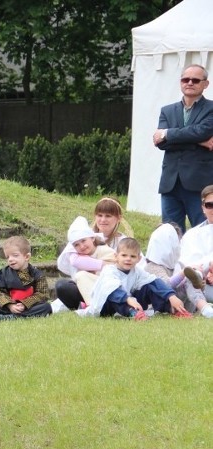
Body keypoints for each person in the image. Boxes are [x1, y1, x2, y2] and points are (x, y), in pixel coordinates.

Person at [153, 64, 213, 231]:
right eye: (185, 79)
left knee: (204, 231)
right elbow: (161, 143)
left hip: (200, 184)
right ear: (180, 82)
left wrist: (168, 133)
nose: (190, 83)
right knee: (170, 233)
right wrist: (199, 141)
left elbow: (202, 131)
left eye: (195, 80)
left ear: (205, 84)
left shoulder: (211, 109)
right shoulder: (167, 110)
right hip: (170, 183)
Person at [80, 238, 189, 320]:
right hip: (106, 307)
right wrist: (128, 299)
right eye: (124, 255)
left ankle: (172, 309)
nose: (128, 259)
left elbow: (154, 281)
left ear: (139, 259)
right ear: (116, 256)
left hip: (131, 301)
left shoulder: (136, 271)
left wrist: (171, 296)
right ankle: (134, 314)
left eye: (132, 256)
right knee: (114, 294)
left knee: (150, 285)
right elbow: (112, 290)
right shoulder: (109, 271)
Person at [54, 216, 116, 311]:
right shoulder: (78, 257)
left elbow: (114, 274)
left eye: (83, 241)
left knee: (81, 275)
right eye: (76, 245)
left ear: (92, 238)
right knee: (61, 286)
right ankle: (81, 306)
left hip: (106, 292)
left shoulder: (105, 251)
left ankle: (95, 307)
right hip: (87, 292)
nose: (82, 246)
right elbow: (74, 262)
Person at [0, 235, 51, 320]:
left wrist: (24, 304)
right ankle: (17, 316)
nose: (10, 259)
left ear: (27, 257)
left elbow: (42, 294)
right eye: (8, 257)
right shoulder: (3, 273)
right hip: (11, 306)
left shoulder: (36, 274)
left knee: (46, 307)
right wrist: (10, 305)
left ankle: (12, 318)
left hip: (29, 307)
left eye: (15, 255)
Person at [179, 184, 213, 318]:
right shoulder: (192, 235)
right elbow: (185, 264)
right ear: (203, 208)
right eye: (209, 205)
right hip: (202, 287)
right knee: (190, 278)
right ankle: (206, 310)